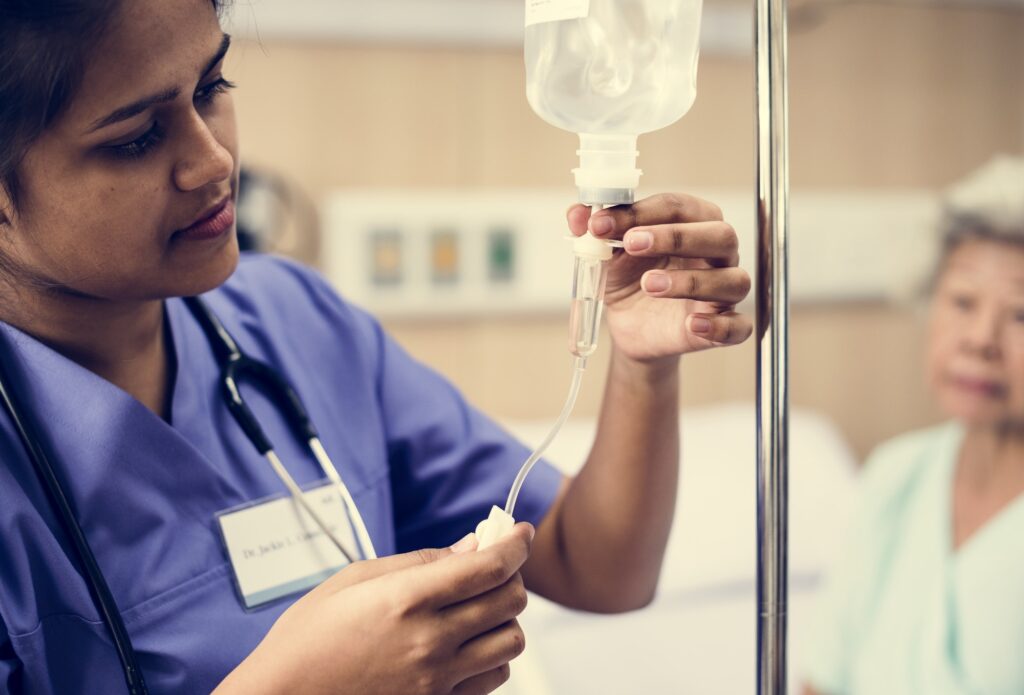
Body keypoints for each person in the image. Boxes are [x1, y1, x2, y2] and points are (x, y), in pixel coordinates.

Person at [0, 1, 753, 693]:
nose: (213, 161)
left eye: (210, 87)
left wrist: (641, 365)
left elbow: (603, 566)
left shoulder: (296, 322)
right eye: (135, 138)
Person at [801, 154, 1024, 695]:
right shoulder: (896, 474)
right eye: (963, 302)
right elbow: (822, 678)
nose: (980, 339)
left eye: (1021, 314)